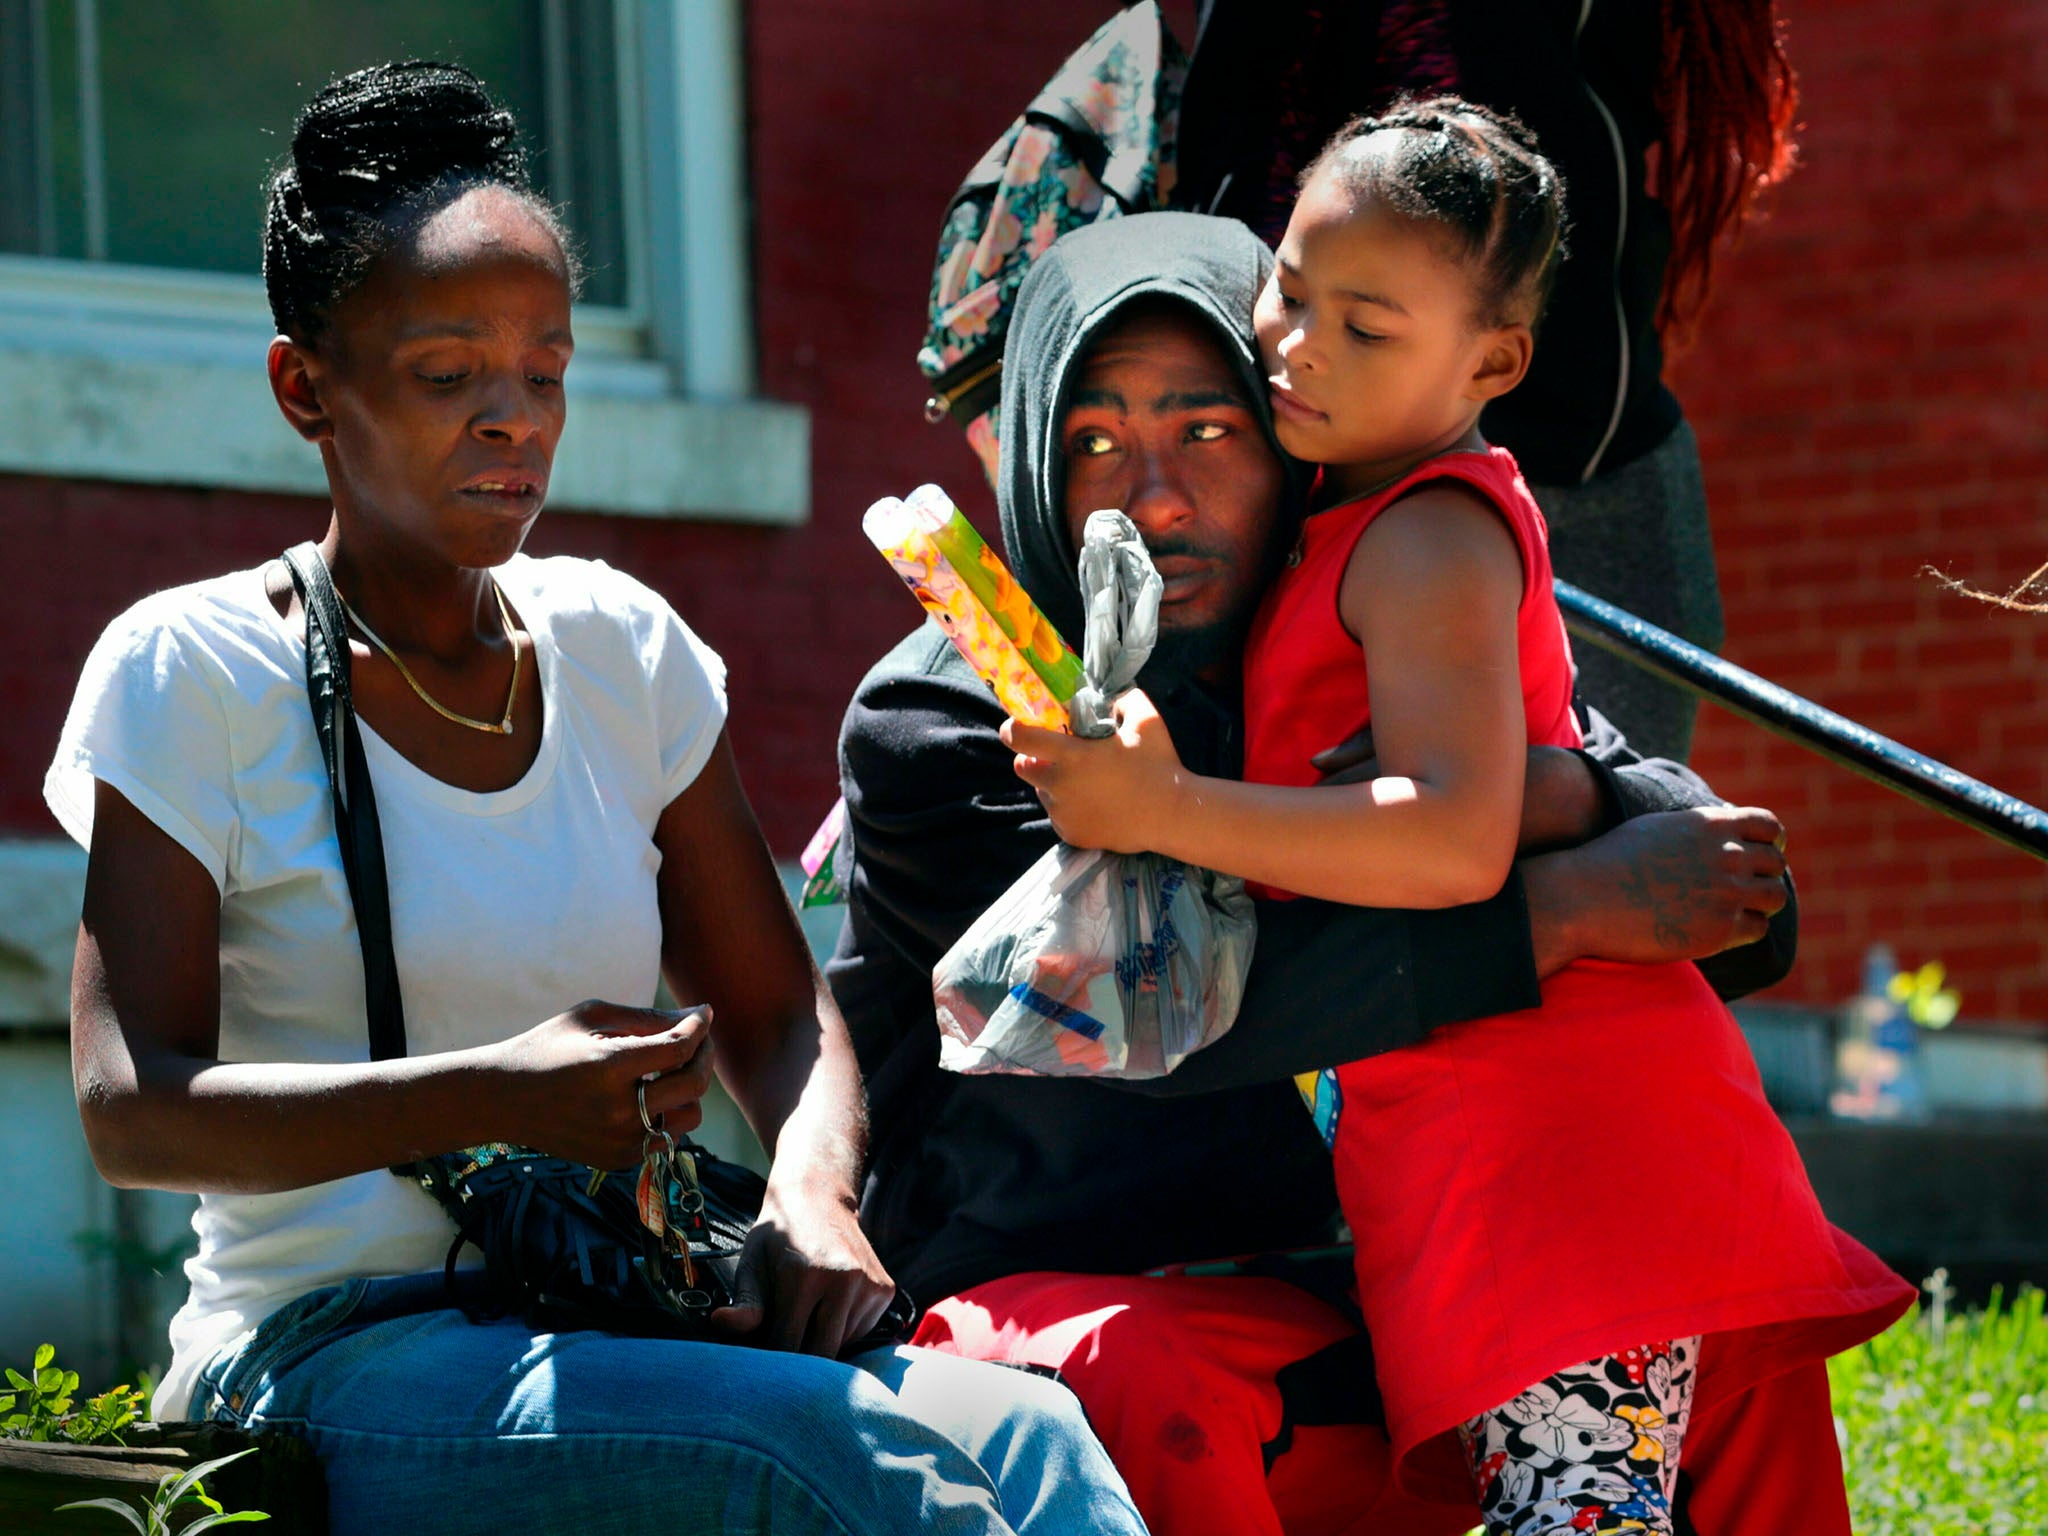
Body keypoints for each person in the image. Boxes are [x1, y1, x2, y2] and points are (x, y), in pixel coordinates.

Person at [45, 62, 1147, 1536]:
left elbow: (774, 1010)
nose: (514, 420)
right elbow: (132, 1108)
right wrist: (498, 1092)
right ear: (306, 386)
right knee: (843, 1469)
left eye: (547, 371)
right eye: (449, 376)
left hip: (611, 1307)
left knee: (1030, 1436)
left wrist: (809, 1198)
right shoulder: (198, 669)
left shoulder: (617, 648)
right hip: (326, 1352)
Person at [830, 209, 1825, 1536]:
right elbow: (1154, 1022)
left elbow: (1736, 897)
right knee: (1156, 1374)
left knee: (1714, 1332)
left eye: (1207, 431)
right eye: (1094, 443)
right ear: (1029, 458)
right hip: (1053, 1274)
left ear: (1292, 431)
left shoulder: (1353, 614)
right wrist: (1570, 904)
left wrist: (1559, 789)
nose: (1156, 498)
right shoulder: (953, 718)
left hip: (1376, 1262)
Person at [1174, 0, 1802, 761]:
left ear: (1497, 360)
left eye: (1365, 325)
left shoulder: (1448, 534)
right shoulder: (1274, 441)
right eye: (1291, 290)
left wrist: (1587, 796)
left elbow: (1453, 837)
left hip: (1578, 476)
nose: (1305, 341)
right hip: (1283, 462)